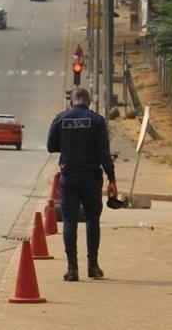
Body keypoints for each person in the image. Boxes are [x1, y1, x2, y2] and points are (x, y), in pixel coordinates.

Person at [47, 88, 117, 282]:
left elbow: (50, 146)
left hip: (68, 177)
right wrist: (112, 179)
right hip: (91, 178)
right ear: (89, 103)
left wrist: (69, 144)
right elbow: (104, 153)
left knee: (69, 221)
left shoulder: (61, 119)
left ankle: (72, 269)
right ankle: (93, 267)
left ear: (71, 102)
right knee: (92, 220)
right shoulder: (97, 121)